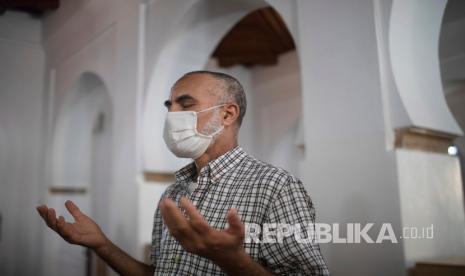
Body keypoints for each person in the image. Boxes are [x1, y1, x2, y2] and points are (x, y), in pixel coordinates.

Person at [37, 71, 330, 275]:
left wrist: (232, 261)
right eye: (170, 105)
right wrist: (103, 245)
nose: (172, 114)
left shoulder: (275, 186)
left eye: (185, 104)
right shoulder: (173, 193)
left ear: (227, 114)